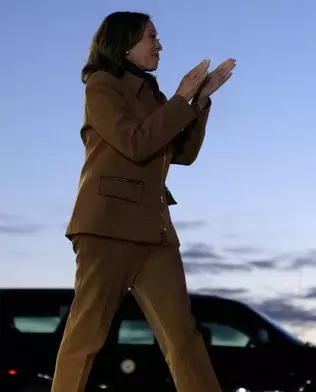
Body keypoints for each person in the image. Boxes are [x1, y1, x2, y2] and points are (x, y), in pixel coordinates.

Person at [52, 11, 236, 392]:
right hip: (108, 227)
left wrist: (198, 102)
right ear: (123, 44)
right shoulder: (102, 86)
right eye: (151, 36)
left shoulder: (153, 94)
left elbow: (181, 153)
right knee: (87, 334)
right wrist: (182, 96)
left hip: (155, 231)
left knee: (183, 336)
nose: (159, 44)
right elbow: (135, 142)